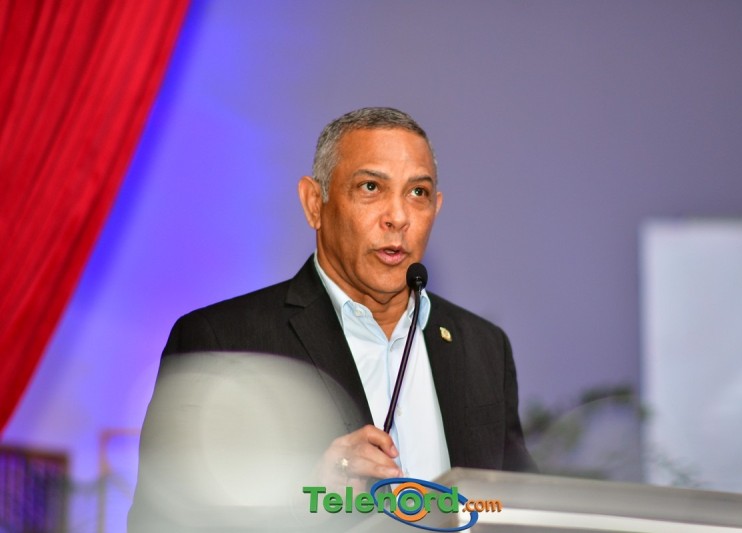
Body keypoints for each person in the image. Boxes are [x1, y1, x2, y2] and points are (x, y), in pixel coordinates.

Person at [133, 108, 534, 529]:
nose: (398, 217)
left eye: (418, 193)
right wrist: (306, 498)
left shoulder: (483, 348)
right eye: (371, 187)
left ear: (436, 208)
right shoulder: (222, 341)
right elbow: (160, 524)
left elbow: (522, 511)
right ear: (314, 204)